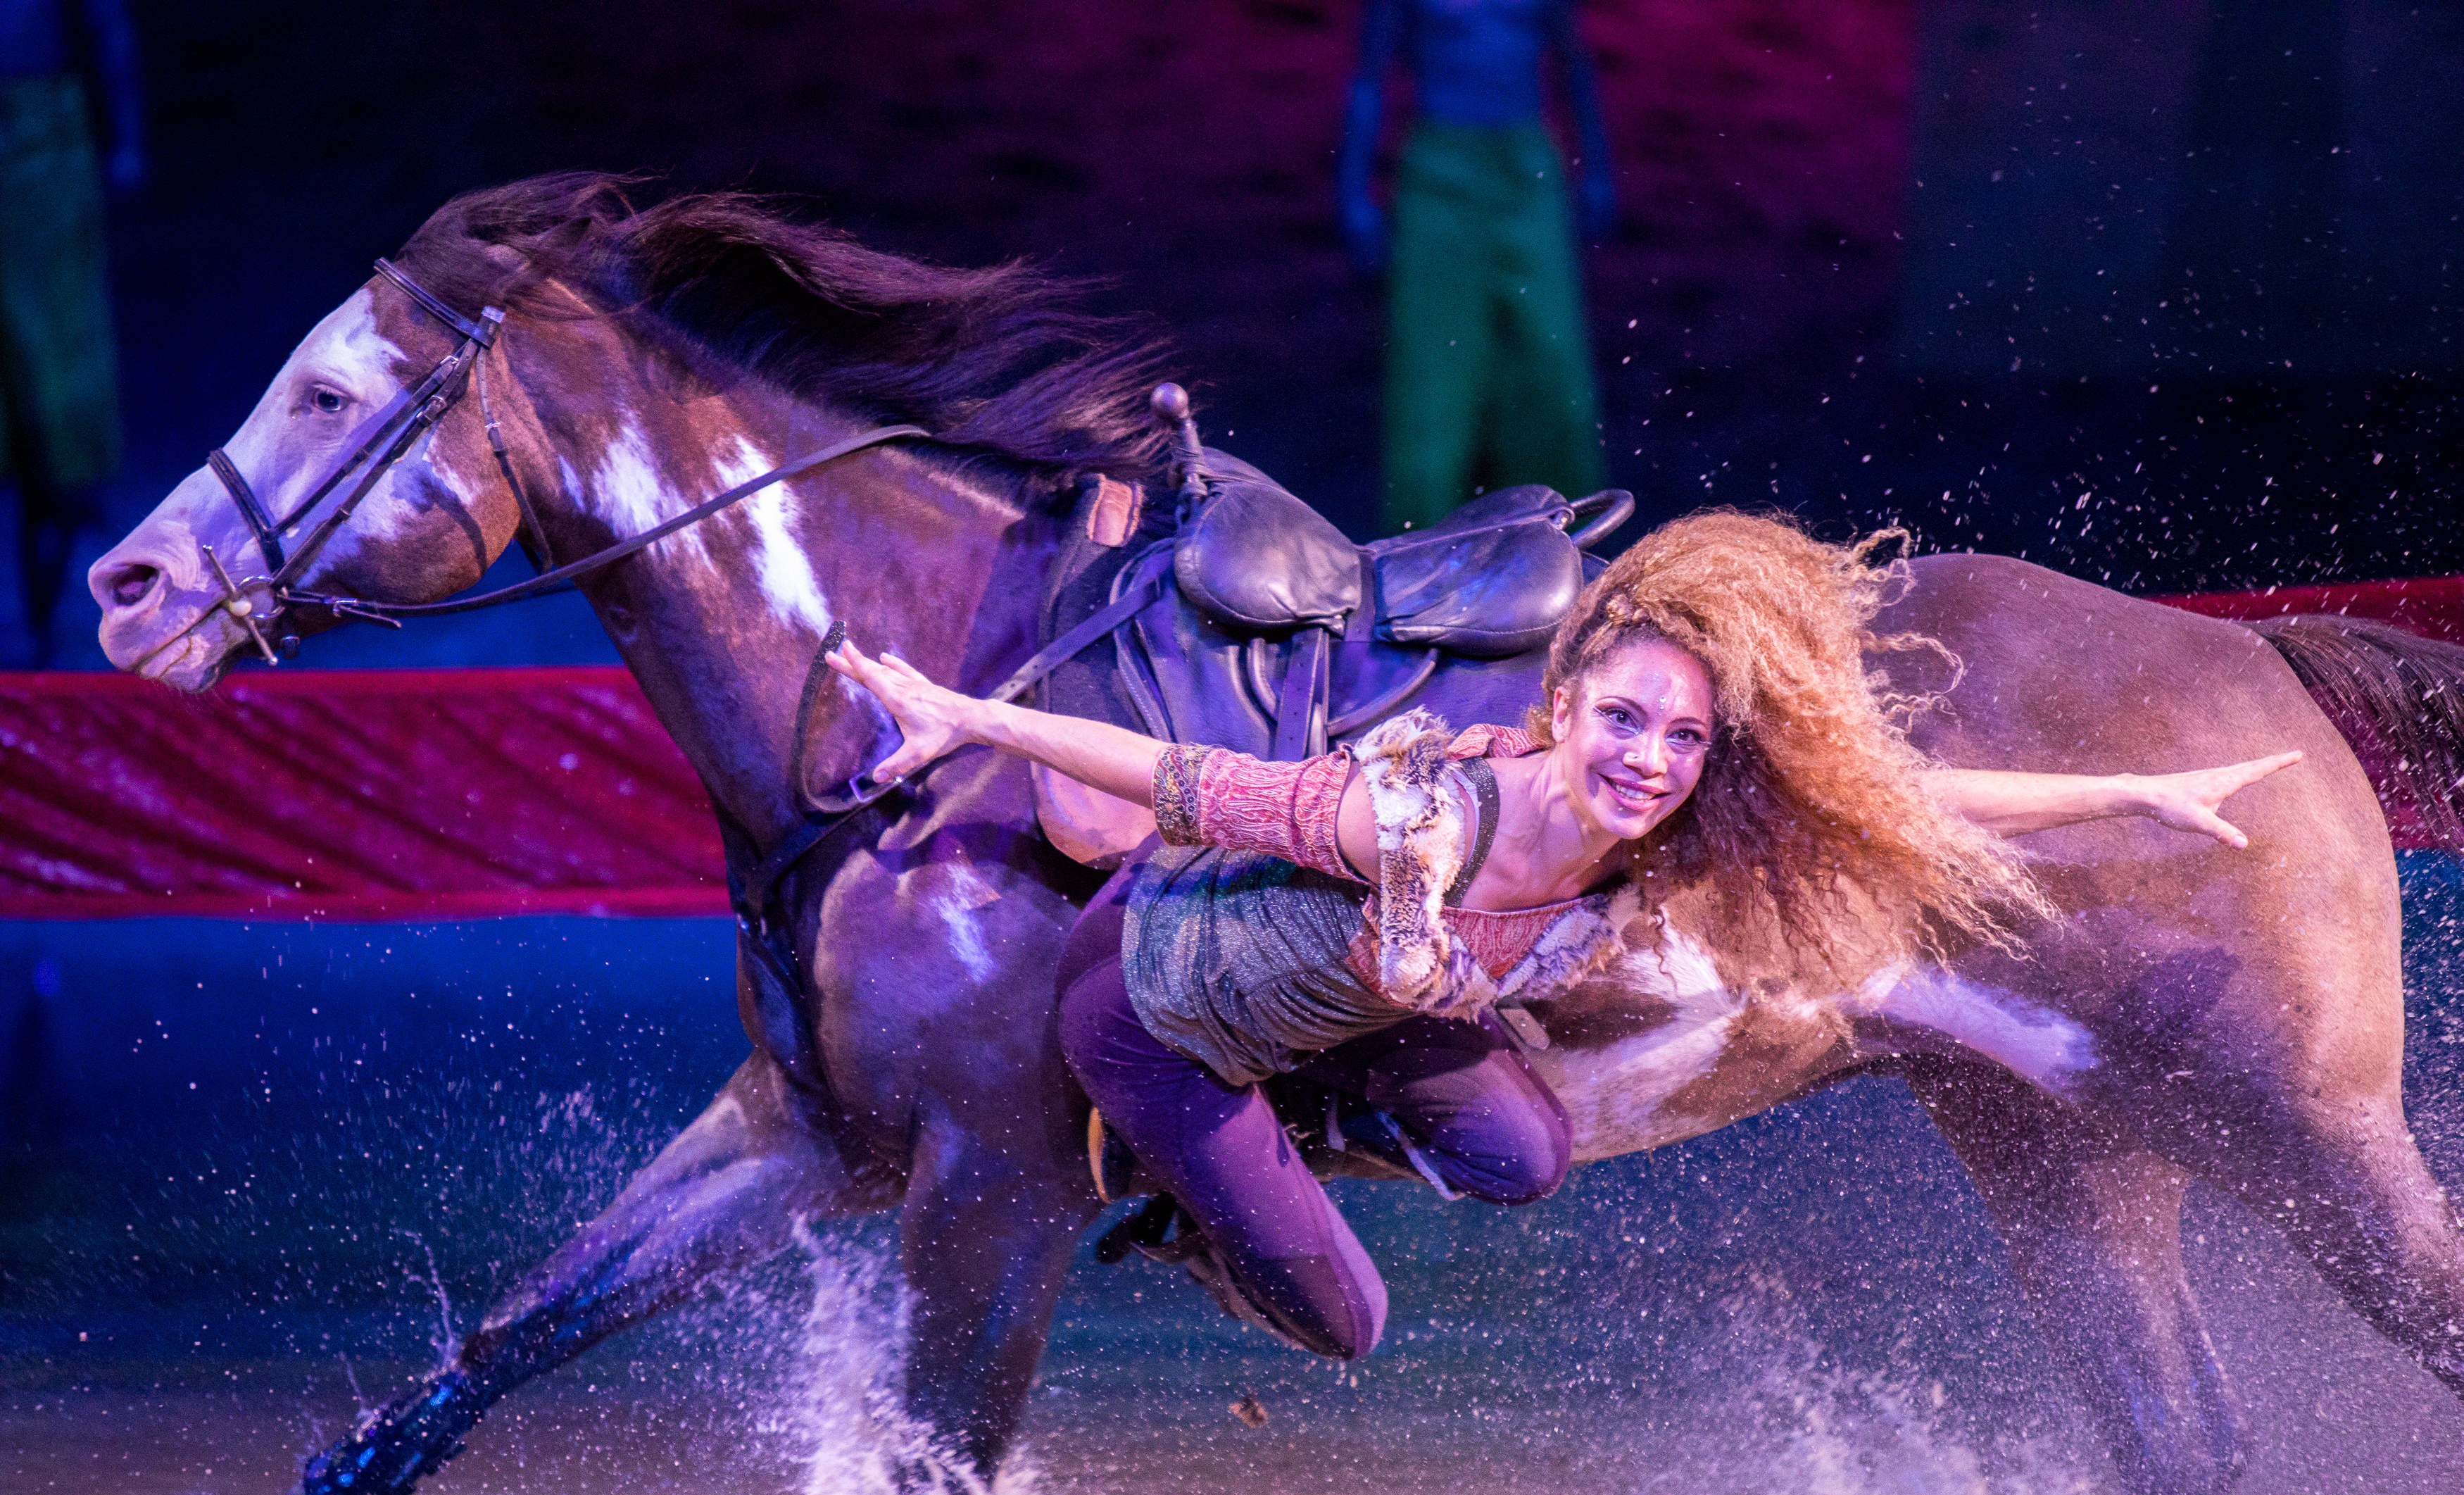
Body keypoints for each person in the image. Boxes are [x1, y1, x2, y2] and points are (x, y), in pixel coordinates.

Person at [826, 510, 2299, 1359]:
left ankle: (1311, 1097)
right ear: (1562, 708)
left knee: (1524, 1152)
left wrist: (2132, 785)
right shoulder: (1415, 821)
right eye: (1621, 720)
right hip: (1156, 1008)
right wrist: (959, 715)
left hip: (1358, 1000)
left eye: (1678, 734)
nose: (1648, 756)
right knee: (1344, 1321)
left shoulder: (1664, 827)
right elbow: (1168, 782)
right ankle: (1189, 1185)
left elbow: (1893, 795)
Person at [1340, 0, 1614, 534]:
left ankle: (1563, 542)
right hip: (1440, 172)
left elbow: (1573, 60)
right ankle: (1419, 561)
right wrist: (1354, 189)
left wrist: (1598, 170)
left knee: (1552, 372)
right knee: (1432, 382)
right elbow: (1370, 72)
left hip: (1528, 171)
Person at [1, 0, 142, 665]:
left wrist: (124, 135)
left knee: (59, 380)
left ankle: (52, 604)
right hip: (41, 126)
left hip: (41, 134)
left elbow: (103, 20)